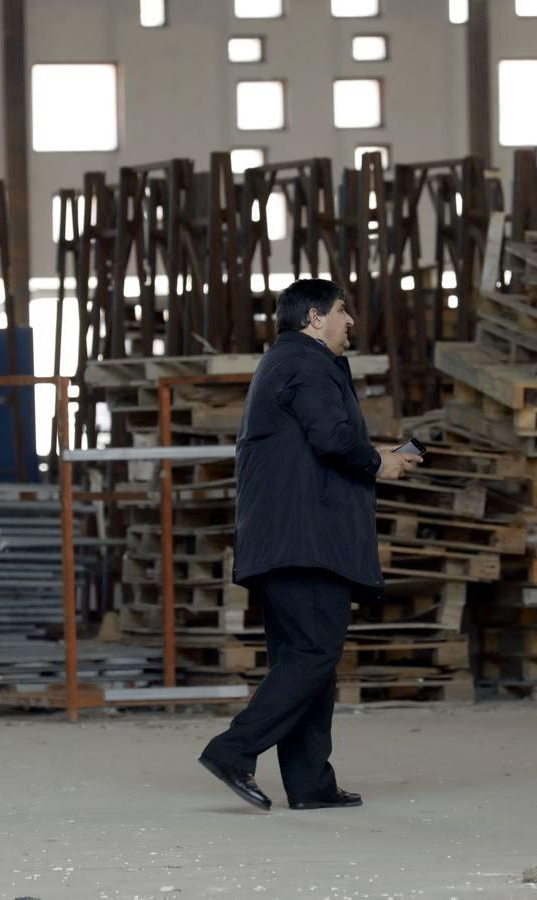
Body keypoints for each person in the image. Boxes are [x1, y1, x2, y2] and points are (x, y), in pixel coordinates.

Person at [199, 278, 422, 812]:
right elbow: (331, 437)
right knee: (315, 654)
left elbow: (313, 440)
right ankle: (233, 750)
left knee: (305, 661)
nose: (351, 322)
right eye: (343, 311)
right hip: (306, 542)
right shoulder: (308, 363)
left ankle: (309, 783)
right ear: (315, 318)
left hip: (285, 540)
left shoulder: (285, 363)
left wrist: (373, 452)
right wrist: (378, 463)